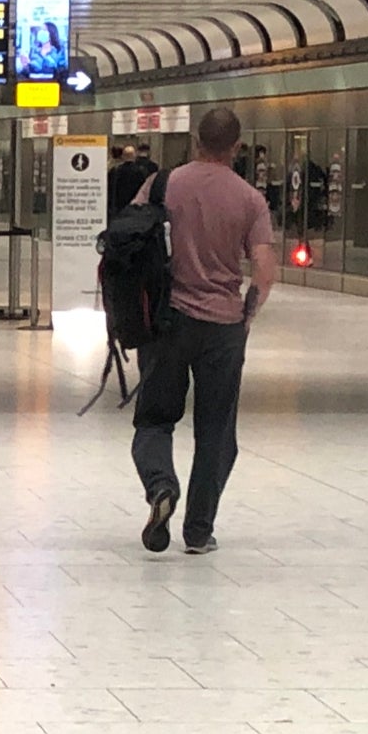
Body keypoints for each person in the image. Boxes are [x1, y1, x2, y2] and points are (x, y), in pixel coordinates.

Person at [129, 107, 276, 556]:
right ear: (236, 146)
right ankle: (198, 530)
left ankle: (161, 487)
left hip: (166, 322)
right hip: (223, 325)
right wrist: (246, 311)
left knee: (154, 420)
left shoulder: (161, 184)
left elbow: (130, 239)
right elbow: (265, 270)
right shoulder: (250, 198)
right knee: (216, 432)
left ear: (196, 140)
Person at [107, 144, 147, 214]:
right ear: (134, 156)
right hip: (135, 206)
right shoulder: (140, 171)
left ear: (123, 156)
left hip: (119, 206)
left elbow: (110, 188)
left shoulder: (115, 171)